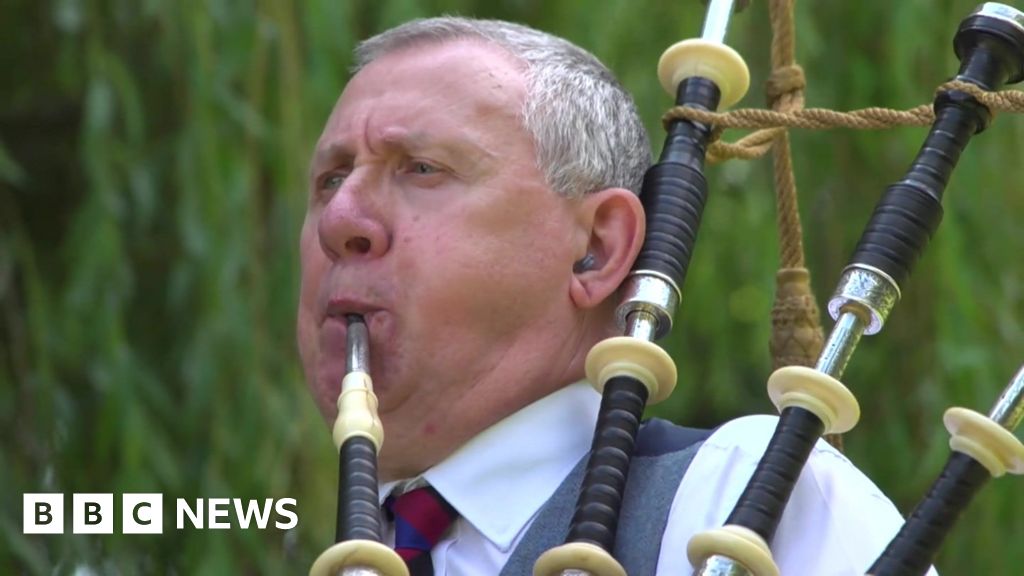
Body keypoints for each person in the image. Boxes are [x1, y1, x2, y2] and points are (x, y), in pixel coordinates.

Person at [297, 16, 934, 576]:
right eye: (330, 180)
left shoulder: (742, 501)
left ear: (597, 249)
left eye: (421, 168)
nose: (339, 220)